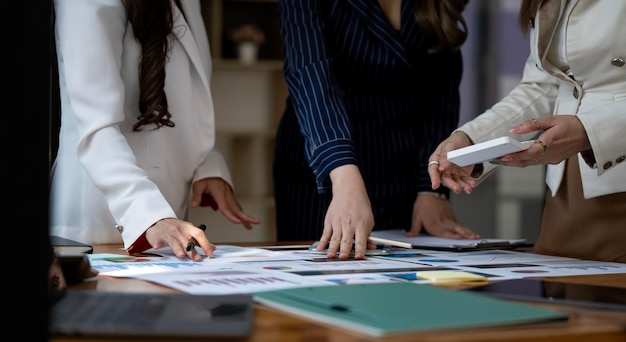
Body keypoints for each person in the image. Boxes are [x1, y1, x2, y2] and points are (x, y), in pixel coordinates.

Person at [49, 0, 260, 261]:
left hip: (164, 217)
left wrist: (206, 164)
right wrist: (148, 214)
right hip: (103, 219)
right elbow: (96, 127)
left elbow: (182, 99)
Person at [273, 0, 481, 260]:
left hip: (404, 173)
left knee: (403, 288)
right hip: (322, 173)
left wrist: (430, 188)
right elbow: (311, 75)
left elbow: (440, 90)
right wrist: (342, 172)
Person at [428, 0, 626, 263]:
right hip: (568, 187)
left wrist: (587, 130)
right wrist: (470, 141)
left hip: (615, 174)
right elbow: (543, 85)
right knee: (562, 298)